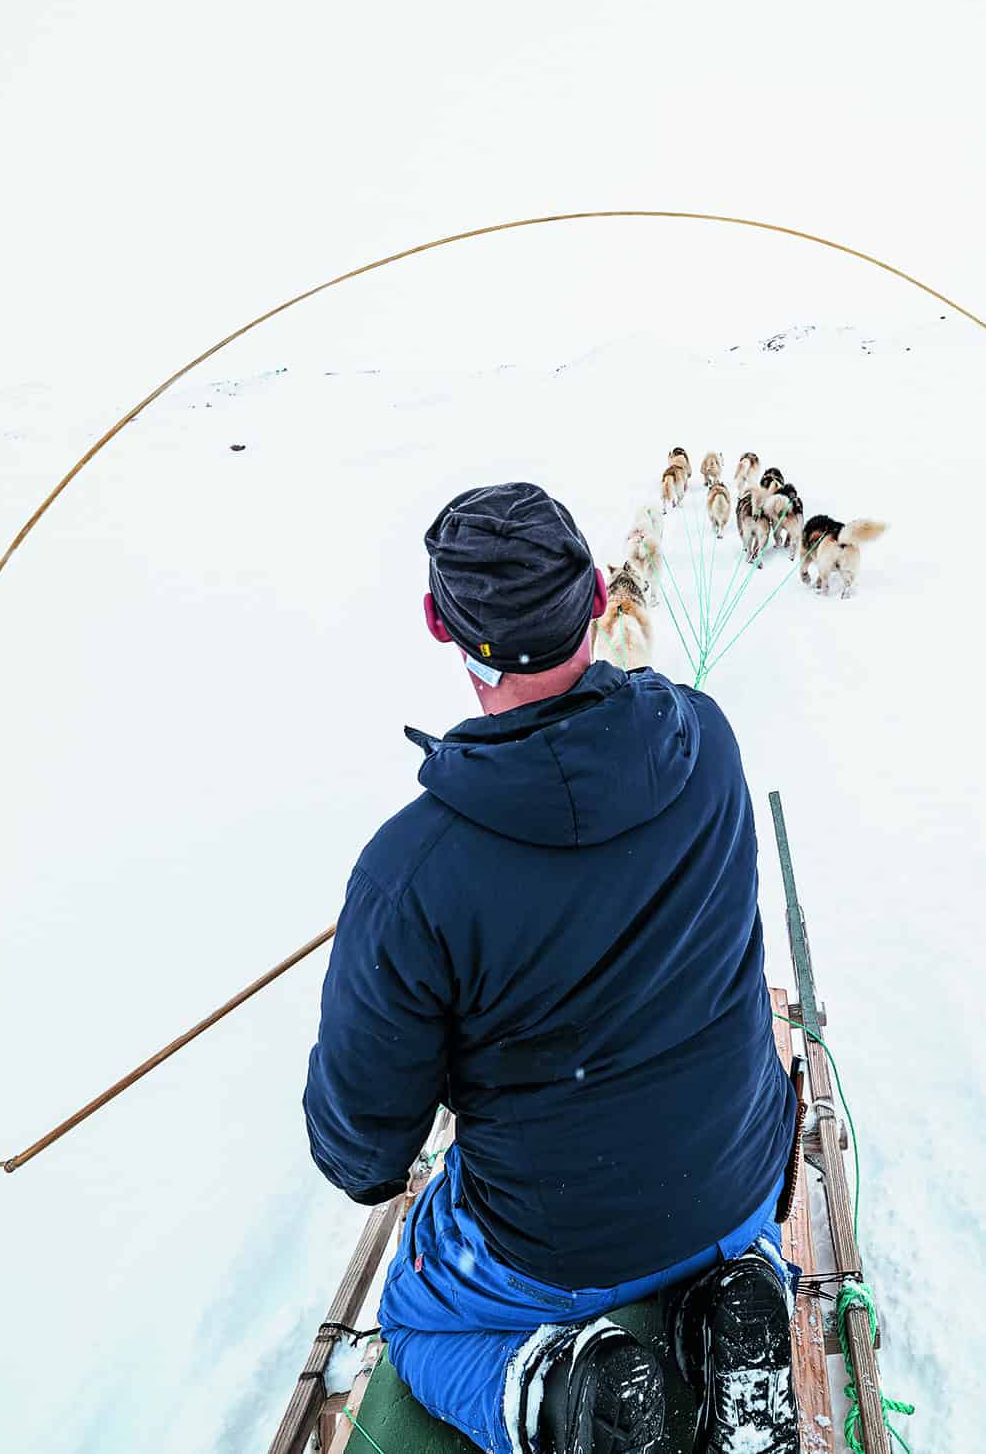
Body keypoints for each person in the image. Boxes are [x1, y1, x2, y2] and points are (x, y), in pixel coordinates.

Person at [304, 481, 798, 1454]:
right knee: (709, 1208)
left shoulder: (412, 873)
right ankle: (739, 1304)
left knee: (414, 1321)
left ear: (439, 624)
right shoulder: (705, 740)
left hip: (556, 1244)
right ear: (599, 600)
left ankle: (566, 1400)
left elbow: (364, 1154)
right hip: (738, 1180)